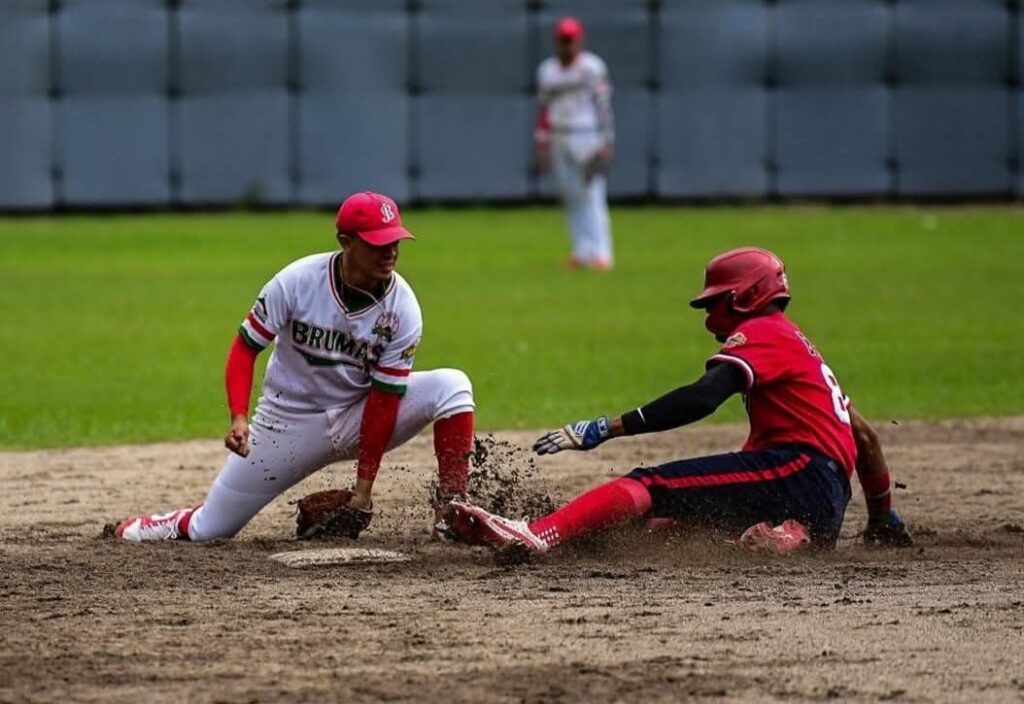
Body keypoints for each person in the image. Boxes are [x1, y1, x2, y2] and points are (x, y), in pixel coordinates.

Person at [440, 247, 913, 561]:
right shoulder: (804, 351)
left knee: (650, 483)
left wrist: (607, 427)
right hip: (823, 501)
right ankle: (783, 536)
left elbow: (703, 398)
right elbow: (866, 439)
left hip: (796, 472)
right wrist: (883, 519)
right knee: (666, 523)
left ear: (746, 296)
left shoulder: (765, 333)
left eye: (715, 302)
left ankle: (538, 535)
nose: (708, 314)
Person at [116, 192, 475, 542]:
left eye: (395, 240)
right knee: (210, 530)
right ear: (345, 242)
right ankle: (157, 524)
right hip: (286, 424)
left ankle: (452, 513)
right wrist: (239, 416)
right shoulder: (297, 281)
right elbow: (245, 348)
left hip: (357, 416)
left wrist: (363, 488)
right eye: (377, 243)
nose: (391, 251)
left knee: (452, 387)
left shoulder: (403, 307)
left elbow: (384, 400)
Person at [535, 16, 615, 271]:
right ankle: (581, 250)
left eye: (571, 40)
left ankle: (602, 253)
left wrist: (606, 139)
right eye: (563, 40)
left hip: (586, 135)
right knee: (570, 196)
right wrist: (542, 142)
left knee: (592, 194)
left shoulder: (591, 67)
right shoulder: (547, 70)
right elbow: (544, 110)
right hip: (560, 134)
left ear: (579, 40)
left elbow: (603, 106)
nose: (567, 45)